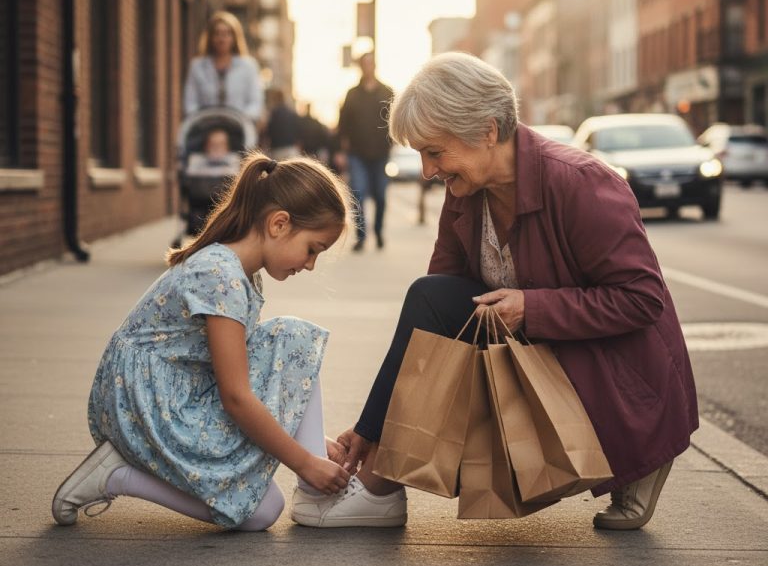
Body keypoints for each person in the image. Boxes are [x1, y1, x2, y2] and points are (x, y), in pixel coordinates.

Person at [292, 52, 698, 531]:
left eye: (435, 152)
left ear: (487, 131)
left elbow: (642, 298)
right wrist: (370, 428)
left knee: (438, 302)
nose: (427, 171)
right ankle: (380, 484)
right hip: (544, 352)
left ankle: (640, 456)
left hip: (615, 373)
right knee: (430, 296)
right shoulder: (465, 190)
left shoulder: (581, 183)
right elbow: (431, 317)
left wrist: (532, 307)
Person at [52, 153, 353, 531]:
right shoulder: (221, 275)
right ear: (279, 224)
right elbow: (237, 397)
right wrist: (305, 462)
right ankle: (115, 474)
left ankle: (117, 475)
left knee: (262, 511)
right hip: (150, 407)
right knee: (293, 339)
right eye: (313, 249)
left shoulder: (239, 272)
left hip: (174, 396)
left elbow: (248, 376)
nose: (310, 264)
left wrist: (310, 440)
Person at [337, 51, 393, 252]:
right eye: (364, 64)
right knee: (358, 194)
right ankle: (361, 237)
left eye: (371, 63)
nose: (368, 67)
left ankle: (378, 231)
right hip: (357, 153)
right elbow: (343, 123)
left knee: (380, 196)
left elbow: (394, 120)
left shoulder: (387, 92)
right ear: (360, 67)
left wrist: (392, 142)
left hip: (380, 153)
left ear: (375, 66)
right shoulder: (352, 94)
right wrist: (341, 151)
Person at [183, 10, 264, 135]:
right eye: (217, 34)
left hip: (238, 132)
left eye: (227, 34)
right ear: (210, 37)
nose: (222, 39)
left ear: (234, 38)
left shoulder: (249, 67)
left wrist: (240, 120)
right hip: (204, 131)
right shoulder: (197, 66)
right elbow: (190, 103)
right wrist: (201, 121)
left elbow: (255, 104)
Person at [262, 88, 302, 161]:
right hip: (291, 148)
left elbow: (268, 131)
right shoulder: (292, 113)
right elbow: (299, 131)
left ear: (276, 99)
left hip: (278, 149)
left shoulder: (273, 113)